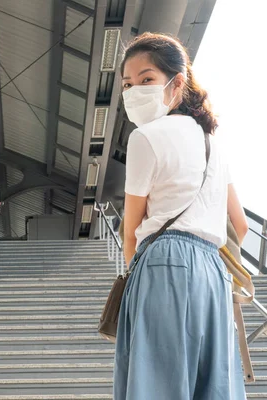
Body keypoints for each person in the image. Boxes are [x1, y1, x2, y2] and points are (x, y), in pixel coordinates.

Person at [115, 32, 249, 399]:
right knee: (213, 386)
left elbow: (130, 233)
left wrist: (134, 287)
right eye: (128, 84)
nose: (134, 91)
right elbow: (241, 225)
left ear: (177, 83)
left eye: (146, 80)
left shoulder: (145, 138)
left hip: (162, 264)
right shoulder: (212, 144)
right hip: (214, 271)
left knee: (156, 383)